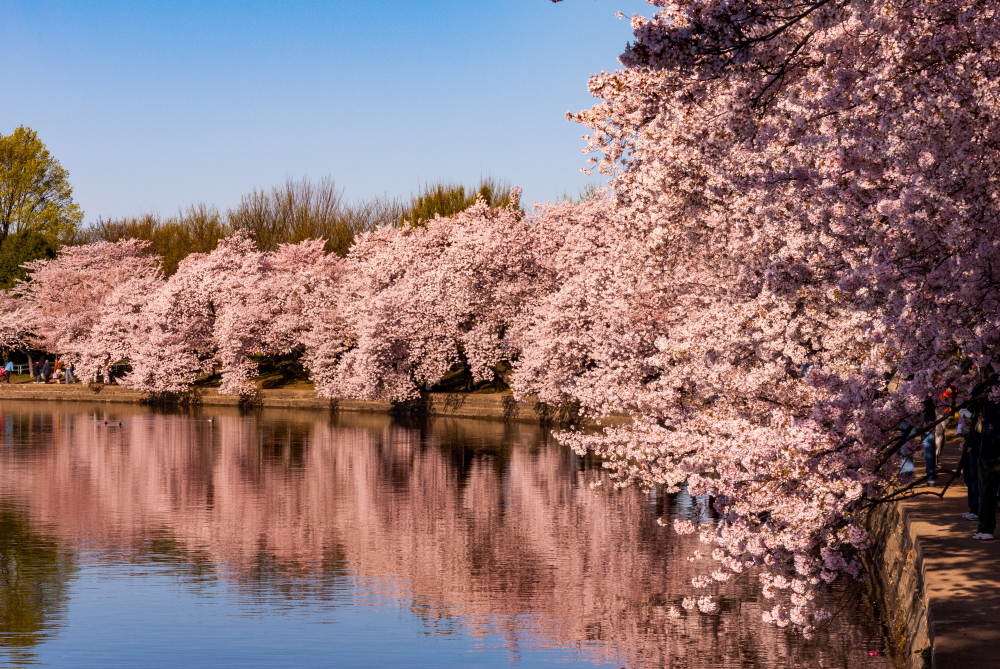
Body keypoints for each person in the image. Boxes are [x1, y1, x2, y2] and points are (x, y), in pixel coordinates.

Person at [957, 408, 980, 521]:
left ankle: (976, 509)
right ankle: (973, 507)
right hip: (968, 437)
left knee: (974, 475)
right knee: (967, 475)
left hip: (976, 439)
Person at [922, 397, 939, 485]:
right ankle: (931, 477)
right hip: (928, 408)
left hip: (928, 410)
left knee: (929, 446)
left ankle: (906, 474)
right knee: (929, 446)